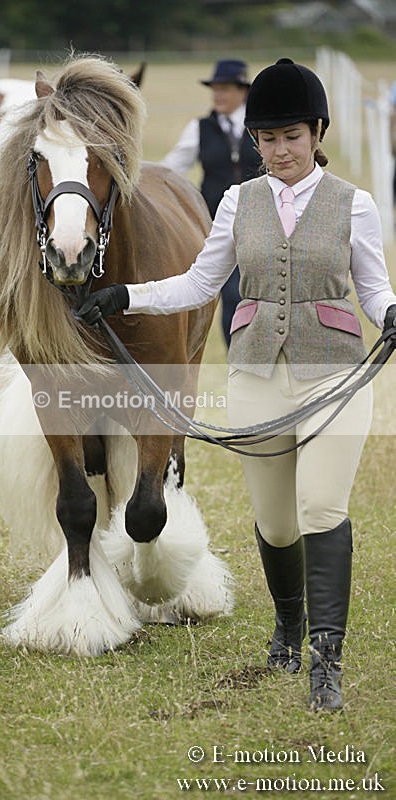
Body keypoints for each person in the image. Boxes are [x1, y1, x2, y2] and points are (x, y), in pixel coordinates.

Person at [75, 58, 396, 711]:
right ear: (253, 141)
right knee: (276, 526)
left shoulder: (352, 204)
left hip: (332, 374)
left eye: (290, 137)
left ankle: (323, 662)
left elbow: (372, 287)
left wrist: (389, 314)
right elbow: (197, 284)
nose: (278, 150)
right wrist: (123, 296)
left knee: (319, 511)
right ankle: (286, 623)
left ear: (315, 133)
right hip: (255, 376)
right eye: (266, 139)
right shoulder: (236, 200)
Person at [160, 58, 262, 348]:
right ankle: (237, 357)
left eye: (225, 88)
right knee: (231, 293)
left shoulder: (259, 127)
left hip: (262, 222)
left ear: (243, 91)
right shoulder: (200, 127)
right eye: (215, 89)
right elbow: (172, 168)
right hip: (217, 225)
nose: (218, 95)